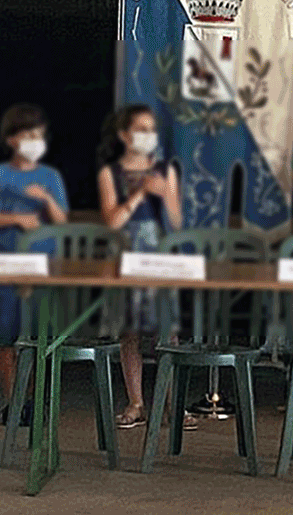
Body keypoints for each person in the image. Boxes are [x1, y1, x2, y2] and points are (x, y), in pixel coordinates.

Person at [96, 105, 197, 432]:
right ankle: (136, 402)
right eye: (140, 129)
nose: (147, 136)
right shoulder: (109, 174)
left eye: (151, 130)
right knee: (130, 332)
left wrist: (166, 192)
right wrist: (139, 193)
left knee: (167, 333)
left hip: (159, 257)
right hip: (125, 258)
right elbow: (112, 221)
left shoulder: (165, 171)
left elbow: (178, 222)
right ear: (125, 135)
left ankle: (173, 404)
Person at [0, 104, 68, 425]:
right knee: (6, 338)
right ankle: (14, 402)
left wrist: (45, 199)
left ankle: (39, 400)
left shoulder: (50, 177)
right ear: (12, 139)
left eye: (39, 136)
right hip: (5, 266)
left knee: (42, 337)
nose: (35, 142)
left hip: (43, 268)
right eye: (28, 136)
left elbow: (61, 221)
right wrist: (15, 217)